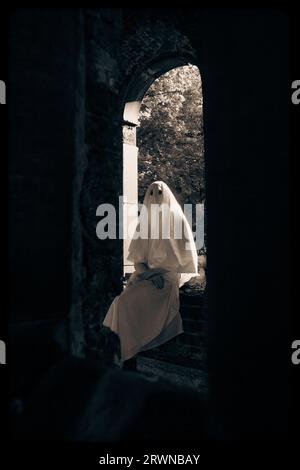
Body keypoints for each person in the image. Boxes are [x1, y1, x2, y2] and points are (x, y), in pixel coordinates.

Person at [102, 181, 198, 366]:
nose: (155, 196)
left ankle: (126, 350)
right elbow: (139, 261)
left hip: (167, 278)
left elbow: (181, 265)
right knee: (122, 302)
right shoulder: (145, 223)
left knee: (130, 301)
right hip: (147, 276)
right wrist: (149, 275)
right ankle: (123, 349)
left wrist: (158, 276)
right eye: (151, 192)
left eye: (159, 192)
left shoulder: (177, 221)